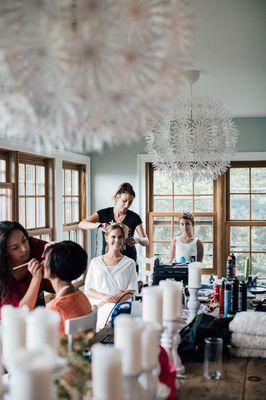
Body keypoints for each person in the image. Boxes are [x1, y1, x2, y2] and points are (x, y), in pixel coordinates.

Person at [79, 182, 149, 265]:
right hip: (107, 259)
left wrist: (137, 239)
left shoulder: (134, 217)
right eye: (124, 201)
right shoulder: (104, 213)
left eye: (130, 202)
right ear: (117, 197)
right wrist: (99, 225)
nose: (127, 205)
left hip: (129, 260)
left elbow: (146, 241)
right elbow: (82, 224)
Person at [0, 220, 54, 313]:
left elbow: (62, 268)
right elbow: (20, 313)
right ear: (4, 252)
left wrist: (57, 250)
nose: (24, 249)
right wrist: (36, 279)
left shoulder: (36, 246)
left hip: (39, 311)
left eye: (24, 240)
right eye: (15, 248)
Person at [43, 241, 92, 335]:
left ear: (55, 266)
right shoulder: (81, 296)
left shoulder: (54, 308)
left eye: (45, 259)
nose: (43, 263)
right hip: (82, 348)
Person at [84, 223, 138, 307]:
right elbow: (88, 289)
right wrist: (104, 297)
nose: (117, 240)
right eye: (113, 237)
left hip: (121, 308)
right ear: (106, 238)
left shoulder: (129, 263)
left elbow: (131, 291)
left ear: (123, 239)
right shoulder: (95, 262)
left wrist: (115, 300)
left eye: (120, 237)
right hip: (99, 308)